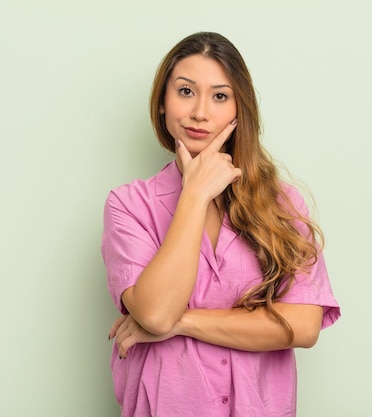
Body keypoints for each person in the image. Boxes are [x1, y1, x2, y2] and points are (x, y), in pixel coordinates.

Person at [101, 31, 340, 417]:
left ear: (238, 109)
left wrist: (182, 324)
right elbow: (156, 312)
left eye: (219, 96)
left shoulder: (281, 204)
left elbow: (303, 326)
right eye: (185, 91)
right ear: (162, 103)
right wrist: (194, 195)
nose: (200, 112)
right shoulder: (129, 206)